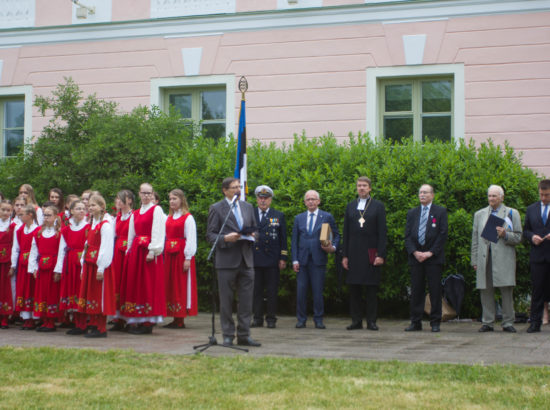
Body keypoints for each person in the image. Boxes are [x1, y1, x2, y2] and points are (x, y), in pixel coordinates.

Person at [206, 177, 260, 347]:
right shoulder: (217, 208)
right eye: (234, 187)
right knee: (226, 300)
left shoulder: (247, 207)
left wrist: (253, 235)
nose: (238, 190)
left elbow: (256, 230)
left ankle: (244, 334)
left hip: (246, 260)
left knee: (246, 301)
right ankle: (228, 334)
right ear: (225, 190)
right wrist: (226, 238)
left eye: (239, 187)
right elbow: (211, 235)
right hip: (226, 261)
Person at [471, 185, 522, 333]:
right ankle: (487, 322)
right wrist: (474, 260)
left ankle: (507, 322)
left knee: (506, 291)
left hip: (504, 259)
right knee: (485, 291)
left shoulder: (512, 213)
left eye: (494, 196)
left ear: (502, 197)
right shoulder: (479, 214)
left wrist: (505, 234)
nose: (491, 199)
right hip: (484, 258)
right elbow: (475, 239)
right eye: (489, 196)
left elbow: (518, 237)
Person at [119, 183, 166, 335]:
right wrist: (129, 250)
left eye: (149, 193)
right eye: (143, 193)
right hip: (136, 253)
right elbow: (131, 234)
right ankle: (137, 320)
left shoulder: (156, 210)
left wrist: (153, 251)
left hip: (148, 253)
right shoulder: (136, 213)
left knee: (148, 285)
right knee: (136, 286)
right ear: (139, 194)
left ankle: (148, 323)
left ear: (152, 194)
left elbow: (158, 231)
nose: (146, 196)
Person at [342, 177, 386, 331]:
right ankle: (356, 321)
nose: (361, 188)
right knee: (354, 289)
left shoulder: (378, 206)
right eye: (359, 186)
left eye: (364, 186)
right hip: (353, 253)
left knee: (371, 289)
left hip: (371, 253)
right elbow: (346, 232)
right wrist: (345, 255)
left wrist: (381, 254)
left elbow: (382, 232)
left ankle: (372, 321)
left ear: (370, 188)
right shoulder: (350, 206)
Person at [292, 190, 339, 329]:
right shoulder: (298, 218)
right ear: (305, 202)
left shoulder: (327, 216)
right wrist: (294, 260)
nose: (311, 201)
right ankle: (301, 319)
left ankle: (318, 319)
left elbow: (336, 235)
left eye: (313, 199)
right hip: (302, 260)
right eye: (308, 199)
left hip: (319, 259)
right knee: (301, 291)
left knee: (318, 291)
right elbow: (294, 241)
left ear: (319, 201)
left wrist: (333, 247)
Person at [404, 184, 448, 332]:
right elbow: (408, 236)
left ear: (432, 195)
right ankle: (415, 322)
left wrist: (430, 253)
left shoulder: (440, 212)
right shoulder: (412, 213)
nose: (422, 195)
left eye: (425, 192)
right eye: (420, 192)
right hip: (416, 258)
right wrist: (415, 252)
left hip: (433, 258)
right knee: (416, 290)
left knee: (435, 290)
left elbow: (442, 235)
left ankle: (435, 322)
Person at [78, 194, 115, 338]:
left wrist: (101, 267)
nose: (90, 208)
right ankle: (93, 324)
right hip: (90, 264)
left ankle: (101, 328)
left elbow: (106, 247)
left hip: (99, 266)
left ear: (101, 207)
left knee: (100, 295)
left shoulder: (105, 225)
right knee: (91, 294)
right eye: (90, 205)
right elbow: (87, 245)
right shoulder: (94, 224)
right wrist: (83, 264)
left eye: (94, 205)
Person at [251, 185, 287, 329]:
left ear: (270, 200)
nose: (263, 201)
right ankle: (257, 318)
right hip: (255, 258)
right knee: (256, 291)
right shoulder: (250, 213)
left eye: (266, 198)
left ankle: (271, 319)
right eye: (260, 198)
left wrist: (283, 257)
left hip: (272, 259)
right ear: (257, 199)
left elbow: (283, 239)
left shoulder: (278, 215)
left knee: (272, 291)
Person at [164, 189, 198, 329]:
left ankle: (180, 319)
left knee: (181, 285)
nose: (172, 201)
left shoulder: (188, 218)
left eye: (175, 199)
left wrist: (188, 257)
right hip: (169, 254)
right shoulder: (169, 217)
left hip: (181, 255)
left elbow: (191, 238)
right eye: (170, 199)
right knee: (170, 284)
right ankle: (173, 316)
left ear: (181, 200)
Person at [54, 200, 89, 335]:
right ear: (72, 211)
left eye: (83, 208)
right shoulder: (66, 230)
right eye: (78, 208)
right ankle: (76, 322)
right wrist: (58, 269)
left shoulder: (88, 228)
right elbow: (61, 250)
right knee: (72, 291)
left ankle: (82, 323)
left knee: (81, 291)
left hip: (81, 264)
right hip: (69, 264)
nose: (81, 210)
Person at [28, 206, 62, 332]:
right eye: (45, 215)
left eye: (49, 215)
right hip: (42, 267)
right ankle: (44, 320)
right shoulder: (38, 232)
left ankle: (51, 321)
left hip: (53, 267)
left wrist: (58, 270)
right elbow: (34, 250)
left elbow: (61, 252)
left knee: (52, 293)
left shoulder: (59, 233)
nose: (46, 218)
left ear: (55, 217)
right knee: (41, 293)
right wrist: (34, 268)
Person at [523, 179, 550, 333]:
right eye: (541, 195)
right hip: (538, 256)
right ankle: (535, 322)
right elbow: (526, 230)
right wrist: (532, 237)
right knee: (537, 290)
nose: (544, 198)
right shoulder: (531, 209)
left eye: (547, 195)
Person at [11, 205, 40, 329]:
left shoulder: (38, 230)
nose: (20, 215)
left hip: (33, 263)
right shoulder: (19, 230)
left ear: (30, 215)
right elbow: (15, 249)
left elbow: (39, 248)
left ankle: (34, 318)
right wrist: (13, 265)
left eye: (22, 214)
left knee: (32, 289)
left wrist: (35, 266)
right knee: (22, 289)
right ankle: (26, 317)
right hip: (22, 264)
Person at [109, 190, 134, 331]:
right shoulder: (116, 217)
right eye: (117, 199)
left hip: (128, 252)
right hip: (117, 253)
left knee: (128, 283)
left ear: (129, 200)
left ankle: (130, 318)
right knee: (117, 284)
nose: (117, 202)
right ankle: (118, 318)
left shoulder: (133, 216)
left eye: (121, 199)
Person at [0, 200, 15, 329]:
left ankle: (5, 317)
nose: (5, 212)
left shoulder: (13, 226)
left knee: (5, 289)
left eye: (8, 210)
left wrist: (13, 264)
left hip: (6, 261)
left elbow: (15, 246)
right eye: (3, 210)